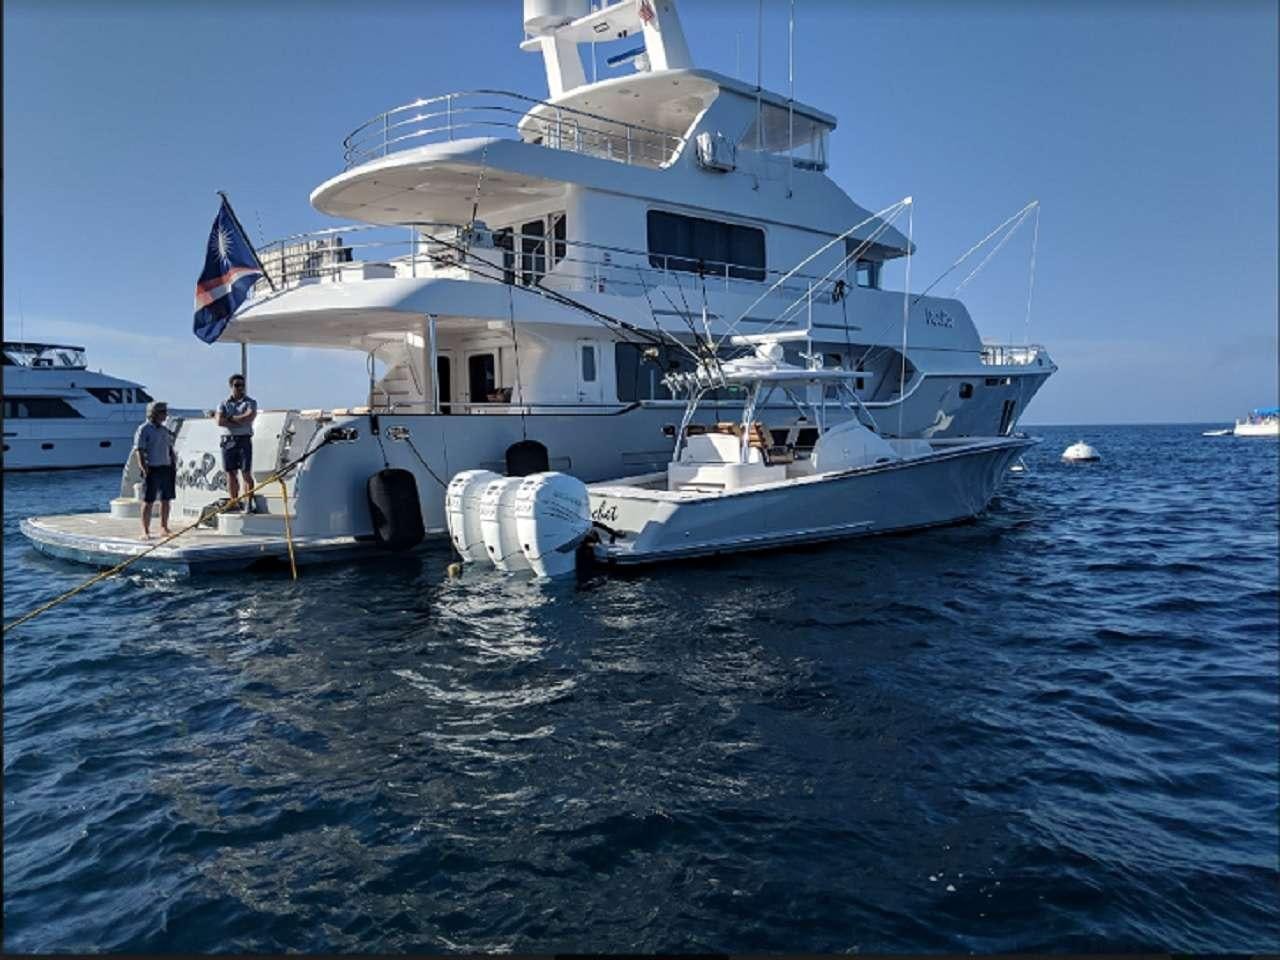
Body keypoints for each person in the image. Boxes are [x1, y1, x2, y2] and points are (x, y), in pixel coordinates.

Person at [134, 401, 176, 539]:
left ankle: (164, 526)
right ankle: (145, 530)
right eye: (163, 412)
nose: (166, 415)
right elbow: (139, 449)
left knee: (166, 499)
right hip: (152, 467)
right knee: (148, 500)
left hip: (166, 467)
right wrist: (143, 467)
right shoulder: (144, 429)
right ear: (155, 413)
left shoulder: (164, 430)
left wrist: (173, 462)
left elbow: (169, 448)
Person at [217, 373, 258, 512]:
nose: (240, 388)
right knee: (231, 473)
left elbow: (249, 417)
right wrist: (238, 420)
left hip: (244, 439)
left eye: (242, 385)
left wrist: (230, 419)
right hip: (228, 441)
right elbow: (219, 421)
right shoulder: (223, 403)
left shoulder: (250, 402)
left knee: (246, 472)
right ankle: (234, 501)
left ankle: (248, 502)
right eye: (237, 385)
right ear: (231, 386)